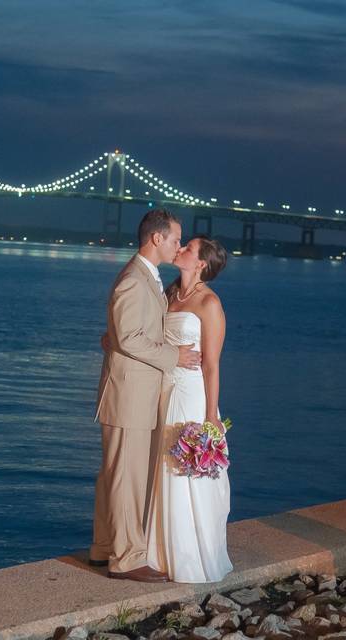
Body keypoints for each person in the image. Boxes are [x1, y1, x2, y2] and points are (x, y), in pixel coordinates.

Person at [90, 209, 202, 583]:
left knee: (116, 474)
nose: (178, 245)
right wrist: (176, 357)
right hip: (128, 394)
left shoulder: (146, 278)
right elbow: (129, 337)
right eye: (174, 239)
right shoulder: (134, 280)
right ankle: (126, 558)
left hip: (133, 390)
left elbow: (121, 334)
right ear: (157, 238)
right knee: (127, 476)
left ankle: (104, 547)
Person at [146, 234, 233, 583]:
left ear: (200, 263)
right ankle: (159, 554)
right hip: (164, 391)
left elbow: (211, 365)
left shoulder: (209, 304)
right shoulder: (169, 294)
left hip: (192, 396)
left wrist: (211, 416)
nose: (180, 249)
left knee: (184, 469)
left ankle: (191, 555)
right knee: (161, 467)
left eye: (189, 248)